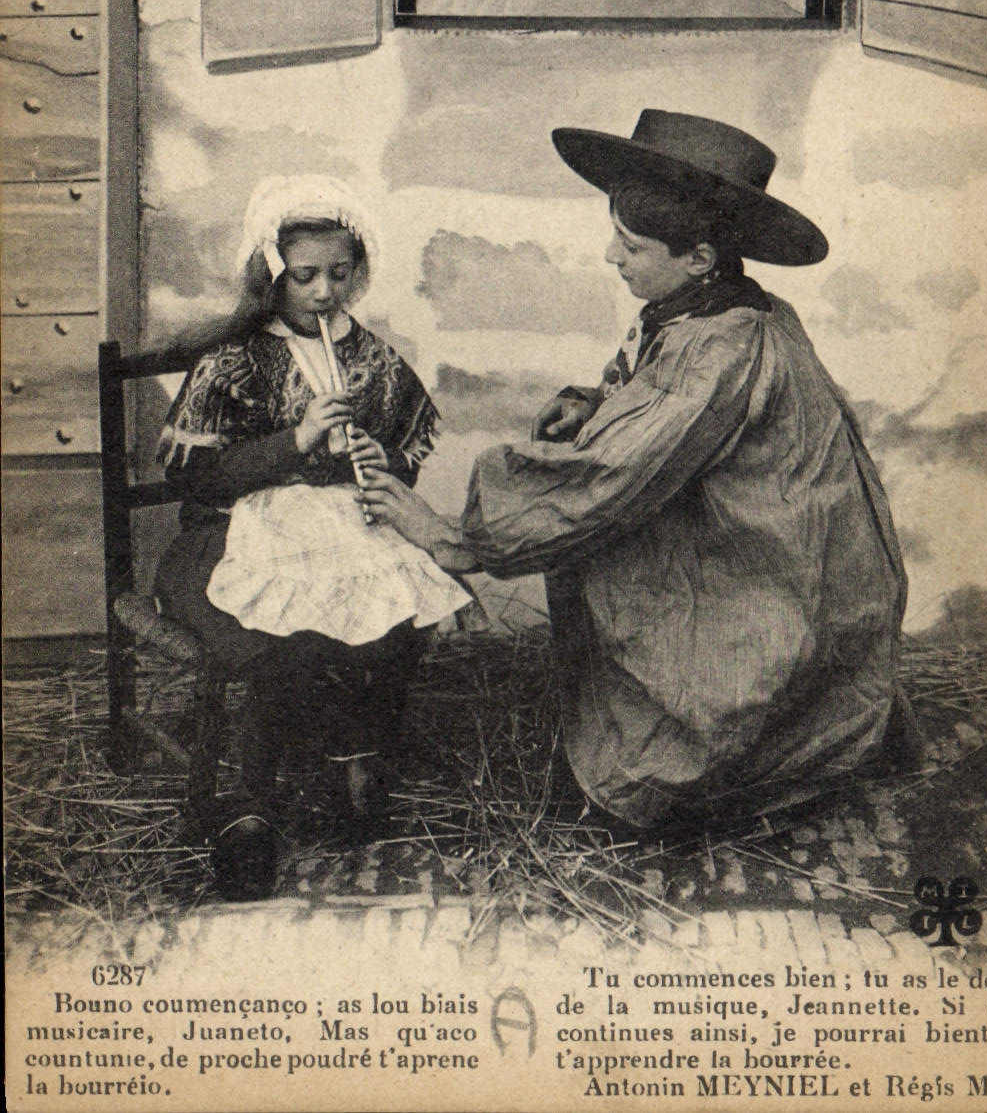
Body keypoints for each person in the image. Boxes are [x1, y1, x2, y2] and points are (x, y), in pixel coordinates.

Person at [360, 112, 915, 835]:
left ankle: (710, 770)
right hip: (774, 550)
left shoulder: (722, 350)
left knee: (632, 673)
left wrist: (448, 537)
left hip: (777, 578)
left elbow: (606, 478)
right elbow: (653, 404)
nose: (610, 257)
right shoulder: (721, 312)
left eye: (631, 245)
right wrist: (592, 402)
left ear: (699, 257)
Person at [153, 175, 471, 889]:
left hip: (335, 532)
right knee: (264, 642)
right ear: (273, 275)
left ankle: (355, 765)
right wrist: (294, 441)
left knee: (397, 617)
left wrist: (375, 460)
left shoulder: (372, 358)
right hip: (234, 533)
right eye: (304, 277)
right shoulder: (234, 358)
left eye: (339, 273)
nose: (324, 292)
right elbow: (194, 479)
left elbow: (404, 461)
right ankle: (246, 809)